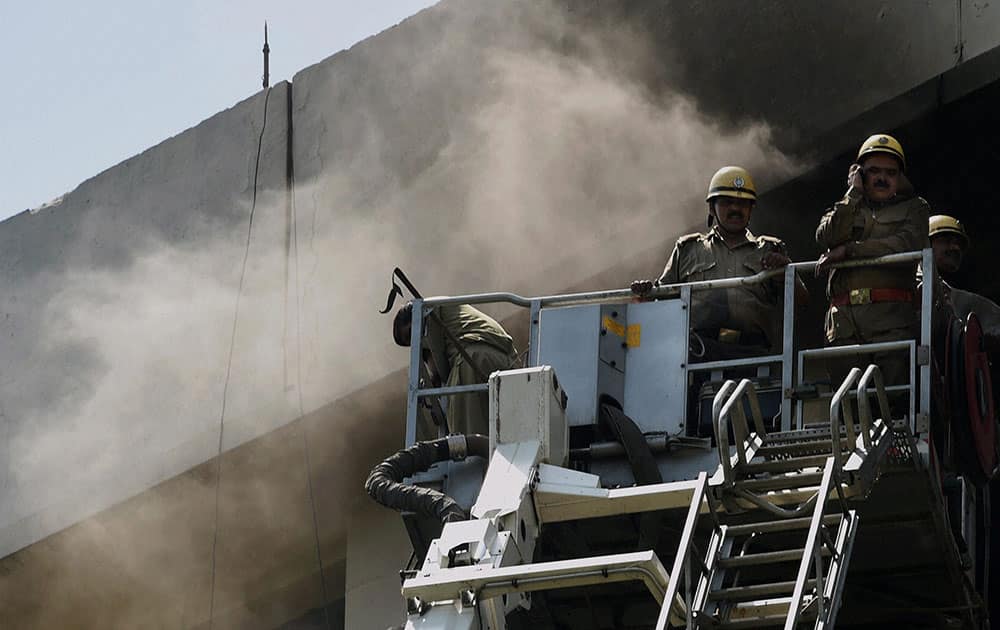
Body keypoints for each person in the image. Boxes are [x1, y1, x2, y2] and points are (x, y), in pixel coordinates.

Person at [632, 166, 807, 361]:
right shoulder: (688, 250)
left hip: (753, 355)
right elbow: (661, 303)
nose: (735, 209)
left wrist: (786, 273)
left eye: (742, 203)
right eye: (726, 202)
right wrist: (646, 296)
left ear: (751, 209)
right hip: (698, 354)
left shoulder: (770, 250)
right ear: (711, 208)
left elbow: (801, 302)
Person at [815, 134, 930, 387]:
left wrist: (851, 251)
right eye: (873, 171)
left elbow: (905, 244)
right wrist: (853, 193)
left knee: (894, 402)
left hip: (891, 321)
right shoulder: (845, 206)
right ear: (858, 173)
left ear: (900, 177)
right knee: (847, 409)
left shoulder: (915, 208)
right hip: (843, 325)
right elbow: (826, 237)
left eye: (890, 173)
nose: (882, 178)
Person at [393, 302, 518, 437]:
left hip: (471, 362)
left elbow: (438, 369)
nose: (415, 341)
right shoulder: (448, 309)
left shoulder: (430, 315)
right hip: (504, 360)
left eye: (411, 335)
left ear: (414, 318)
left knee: (468, 433)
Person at [929, 214, 1000, 350]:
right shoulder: (915, 282)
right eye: (946, 240)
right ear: (926, 243)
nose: (955, 248)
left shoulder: (957, 293)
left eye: (959, 244)